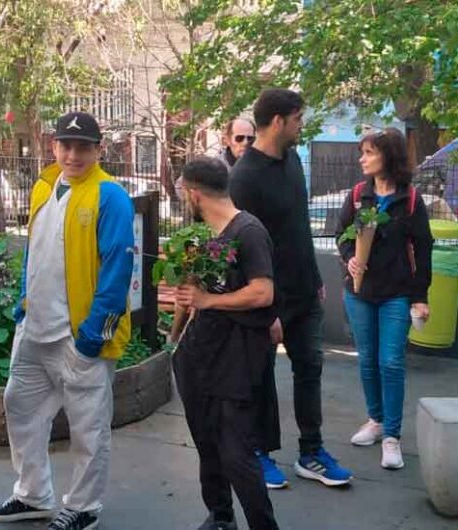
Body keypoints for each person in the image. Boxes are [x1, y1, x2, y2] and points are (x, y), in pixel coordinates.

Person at [0, 112, 134, 530]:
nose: (73, 154)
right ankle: (33, 495)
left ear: (98, 150)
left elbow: (118, 270)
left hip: (79, 336)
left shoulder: (110, 195)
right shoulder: (43, 186)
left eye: (83, 147)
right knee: (20, 407)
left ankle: (83, 507)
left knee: (89, 427)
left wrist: (93, 335)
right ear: (53, 147)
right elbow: (35, 249)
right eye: (65, 145)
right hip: (34, 328)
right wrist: (21, 307)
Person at [230, 88, 353, 488]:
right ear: (279, 121)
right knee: (261, 376)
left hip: (305, 292)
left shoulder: (294, 160)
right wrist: (267, 309)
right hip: (269, 300)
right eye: (299, 118)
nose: (303, 125)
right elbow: (244, 250)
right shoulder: (244, 177)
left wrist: (315, 279)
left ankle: (311, 452)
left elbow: (296, 228)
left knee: (309, 371)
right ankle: (258, 452)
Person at [173, 157, 279, 530]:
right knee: (207, 442)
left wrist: (209, 301)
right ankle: (220, 516)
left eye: (182, 192)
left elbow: (263, 292)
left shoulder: (247, 231)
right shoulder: (205, 236)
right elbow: (195, 293)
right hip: (200, 354)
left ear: (193, 193)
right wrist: (176, 337)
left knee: (236, 452)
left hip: (237, 358)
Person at [335, 128, 433, 469]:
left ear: (387, 156)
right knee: (367, 360)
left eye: (368, 152)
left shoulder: (410, 199)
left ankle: (392, 437)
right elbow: (342, 234)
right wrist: (349, 255)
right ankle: (375, 421)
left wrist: (420, 296)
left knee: (390, 362)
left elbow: (424, 248)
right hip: (358, 292)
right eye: (362, 152)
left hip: (397, 294)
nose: (362, 159)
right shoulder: (359, 194)